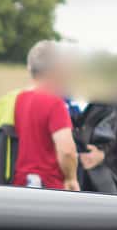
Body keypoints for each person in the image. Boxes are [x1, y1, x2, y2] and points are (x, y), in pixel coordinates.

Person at [10, 40, 79, 190]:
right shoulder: (55, 103)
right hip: (48, 186)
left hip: (20, 184)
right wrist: (71, 179)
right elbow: (67, 151)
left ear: (30, 68)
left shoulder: (20, 99)